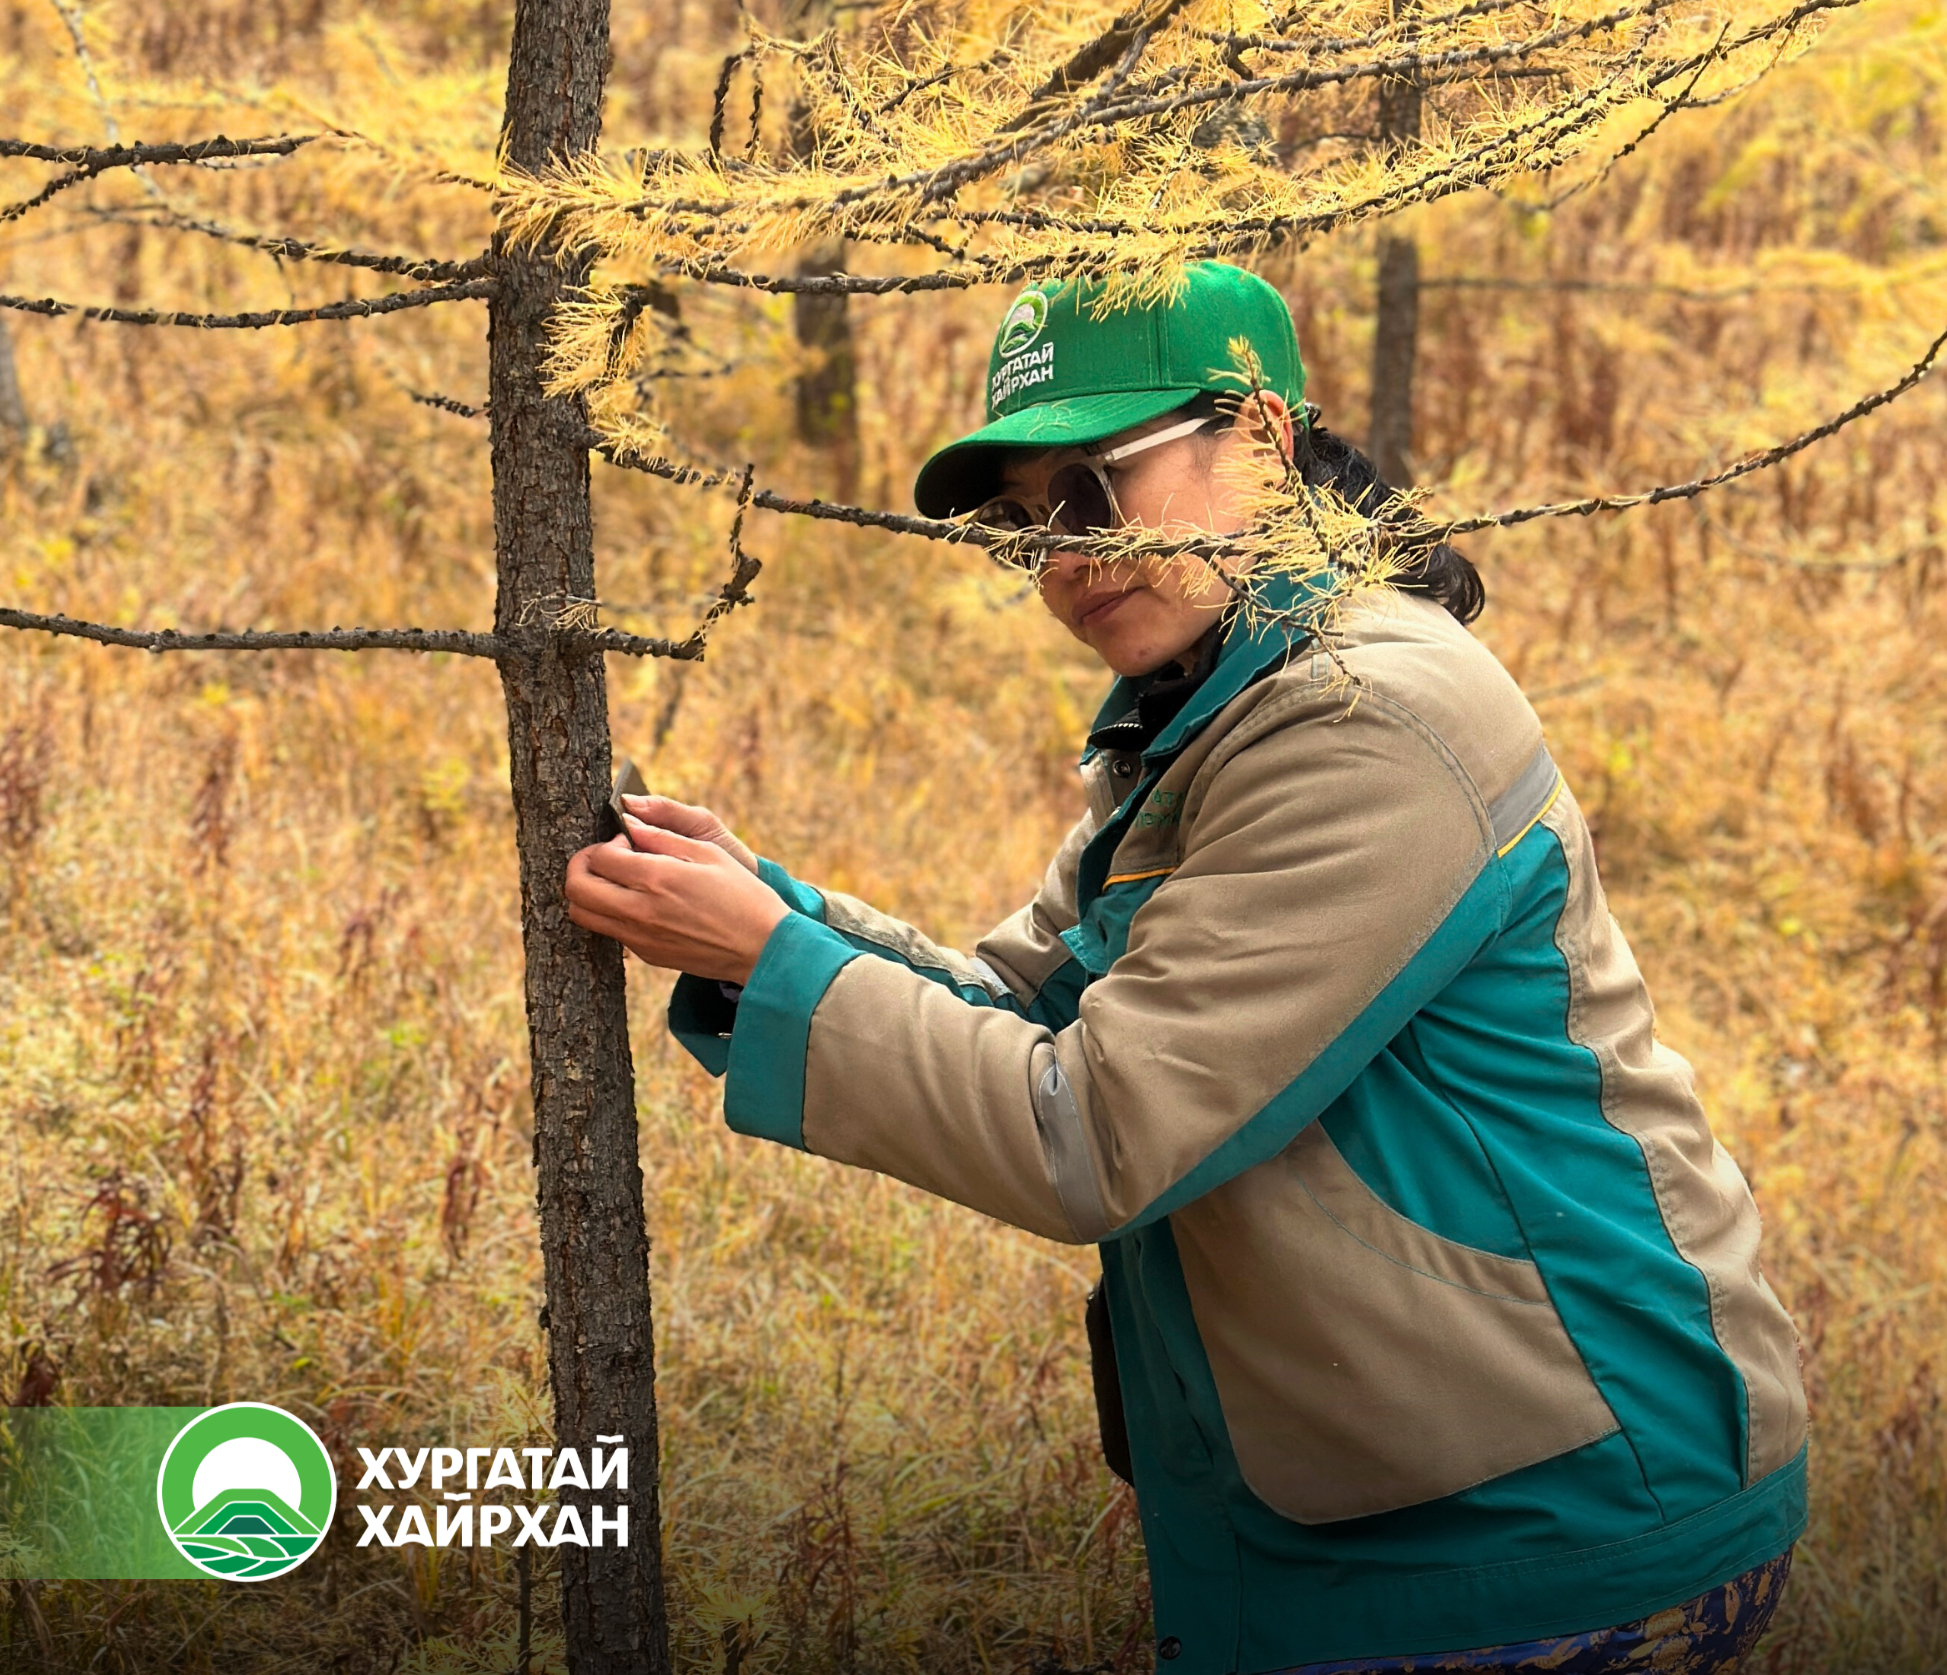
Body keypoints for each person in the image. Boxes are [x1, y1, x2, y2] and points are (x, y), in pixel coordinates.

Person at [563, 263, 1808, 1674]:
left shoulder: (1367, 719)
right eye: (1023, 525)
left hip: (1547, 1521)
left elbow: (1089, 1126)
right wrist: (761, 910)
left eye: (1094, 490)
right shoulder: (1206, 711)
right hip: (1393, 1510)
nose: (1064, 557)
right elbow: (1025, 1007)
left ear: (1264, 440)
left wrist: (769, 953)